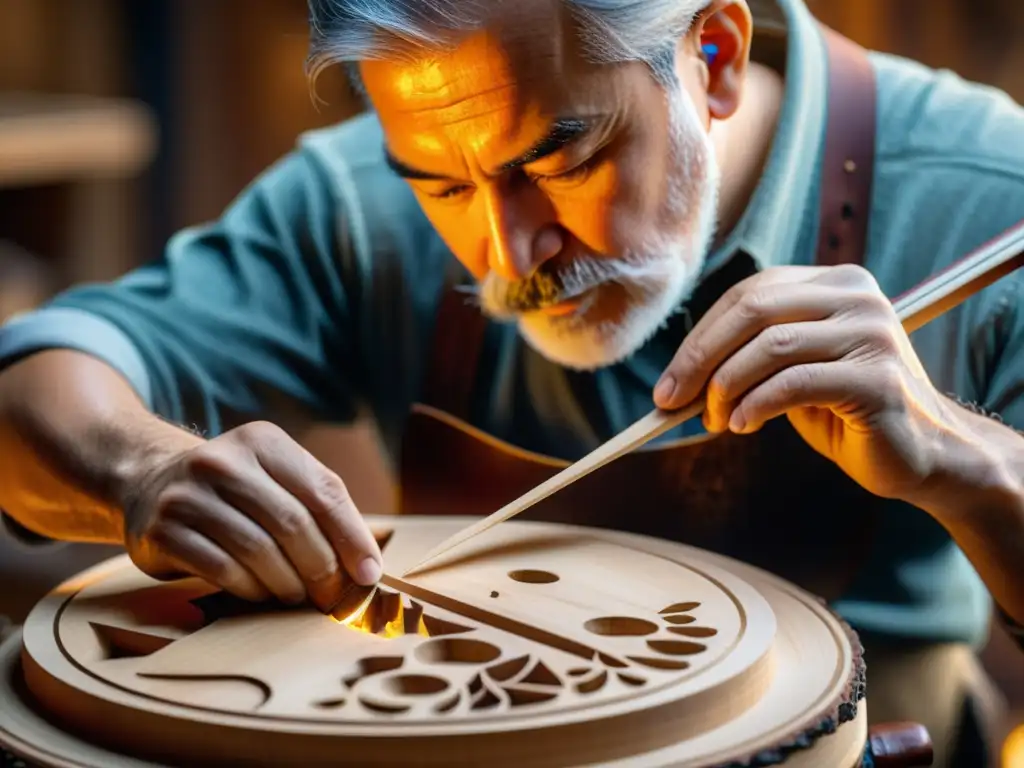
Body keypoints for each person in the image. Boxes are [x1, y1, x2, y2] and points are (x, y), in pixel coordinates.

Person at [0, 0, 1022, 763]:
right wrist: (138, 470)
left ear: (710, 56)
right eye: (442, 185)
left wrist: (961, 459)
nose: (505, 253)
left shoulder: (984, 192)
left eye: (560, 158)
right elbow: (30, 397)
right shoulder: (358, 201)